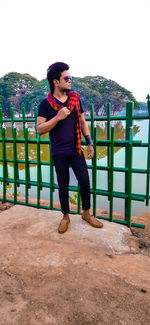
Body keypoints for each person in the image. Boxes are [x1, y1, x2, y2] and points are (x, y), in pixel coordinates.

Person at [37, 62, 103, 233]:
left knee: (85, 181)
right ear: (55, 81)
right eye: (66, 78)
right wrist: (58, 117)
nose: (70, 80)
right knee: (63, 185)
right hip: (59, 151)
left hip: (76, 149)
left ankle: (86, 213)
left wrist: (89, 142)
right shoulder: (45, 104)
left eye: (70, 78)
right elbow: (39, 129)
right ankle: (65, 217)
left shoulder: (74, 98)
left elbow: (82, 122)